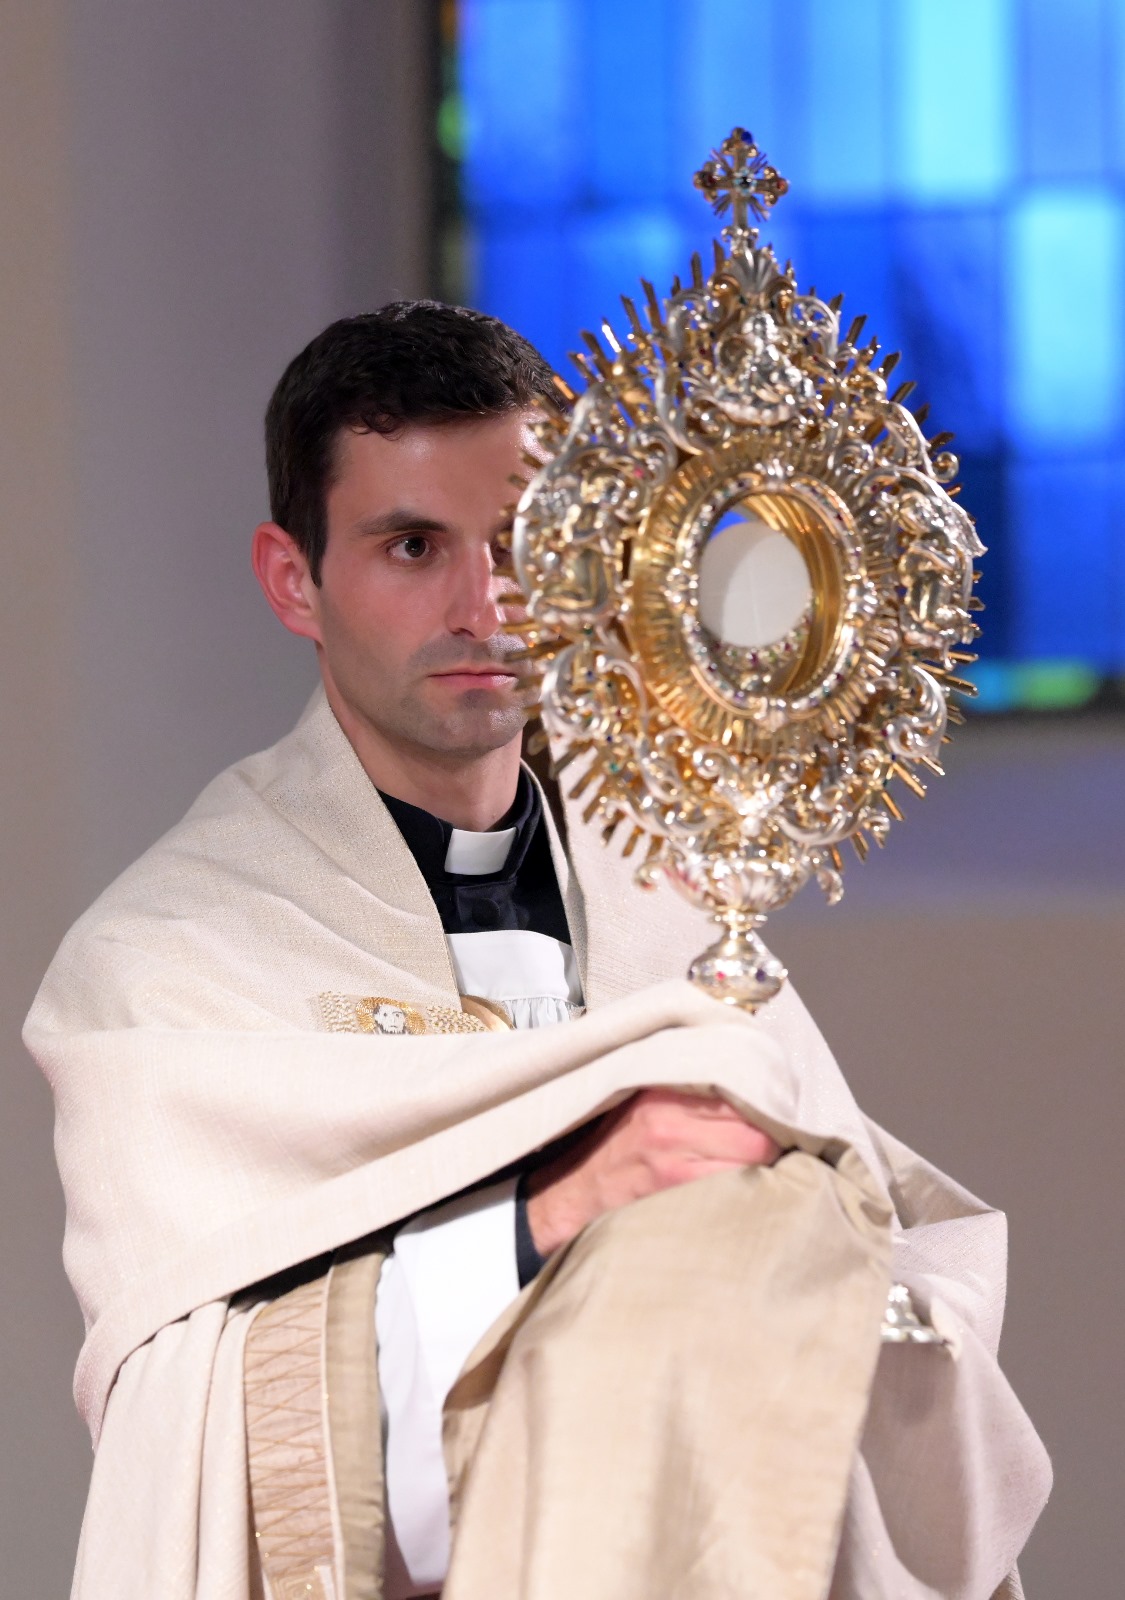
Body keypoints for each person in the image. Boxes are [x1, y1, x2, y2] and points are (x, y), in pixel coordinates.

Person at [26, 302, 1050, 1600]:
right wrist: (558, 1212)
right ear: (294, 581)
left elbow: (898, 1277)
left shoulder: (675, 910)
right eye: (413, 547)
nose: (486, 604)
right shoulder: (167, 965)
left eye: (521, 540)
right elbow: (196, 1428)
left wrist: (827, 1269)